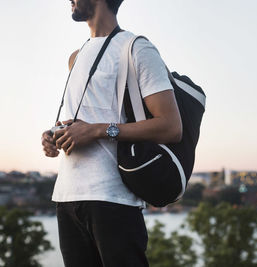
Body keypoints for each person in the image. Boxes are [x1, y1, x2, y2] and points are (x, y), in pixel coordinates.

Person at [41, 0, 182, 266]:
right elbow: (84, 118)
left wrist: (96, 130)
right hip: (67, 197)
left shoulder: (136, 48)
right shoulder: (76, 56)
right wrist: (53, 135)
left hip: (112, 198)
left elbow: (171, 126)